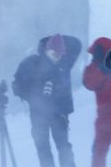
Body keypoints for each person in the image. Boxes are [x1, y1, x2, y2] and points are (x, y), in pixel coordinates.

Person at [12, 34, 81, 167]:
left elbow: (77, 43)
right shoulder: (32, 63)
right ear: (47, 50)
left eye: (61, 54)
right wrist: (34, 96)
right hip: (38, 115)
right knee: (43, 150)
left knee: (64, 147)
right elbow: (17, 85)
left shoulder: (64, 64)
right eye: (55, 53)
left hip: (59, 115)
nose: (58, 57)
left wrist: (55, 38)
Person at [83, 37, 111, 167]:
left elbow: (88, 82)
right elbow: (88, 83)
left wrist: (100, 67)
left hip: (108, 122)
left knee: (99, 155)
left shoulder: (96, 69)